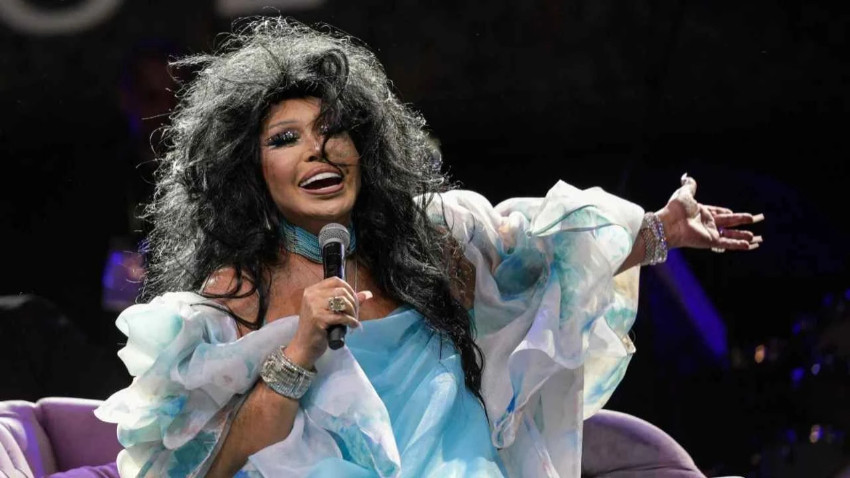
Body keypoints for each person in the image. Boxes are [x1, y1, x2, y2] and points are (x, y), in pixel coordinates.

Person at [94, 17, 763, 477]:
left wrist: (660, 230)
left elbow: (543, 257)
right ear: (250, 171)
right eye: (285, 139)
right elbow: (213, 465)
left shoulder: (434, 236)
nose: (318, 150)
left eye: (333, 130)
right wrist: (299, 350)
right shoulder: (234, 294)